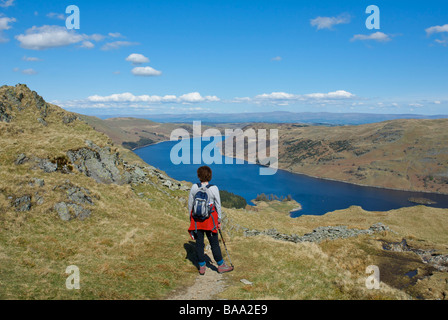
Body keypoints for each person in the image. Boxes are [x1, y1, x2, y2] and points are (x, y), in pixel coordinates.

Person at [188, 166, 234, 275]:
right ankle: (221, 265)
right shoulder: (213, 188)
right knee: (214, 243)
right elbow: (218, 205)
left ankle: (201, 266)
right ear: (210, 176)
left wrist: (191, 219)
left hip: (197, 221)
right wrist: (219, 220)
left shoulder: (194, 187)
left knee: (199, 243)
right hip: (210, 221)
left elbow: (190, 204)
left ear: (199, 175)